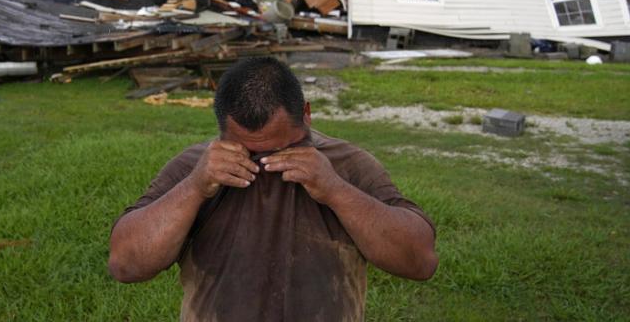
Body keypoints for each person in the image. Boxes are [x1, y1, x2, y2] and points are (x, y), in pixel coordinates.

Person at [108, 57, 438, 321]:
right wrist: (195, 187)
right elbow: (125, 264)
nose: (267, 163)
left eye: (283, 149)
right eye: (248, 151)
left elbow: (420, 261)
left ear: (306, 114)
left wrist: (335, 189)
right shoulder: (197, 167)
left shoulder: (348, 163)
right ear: (222, 128)